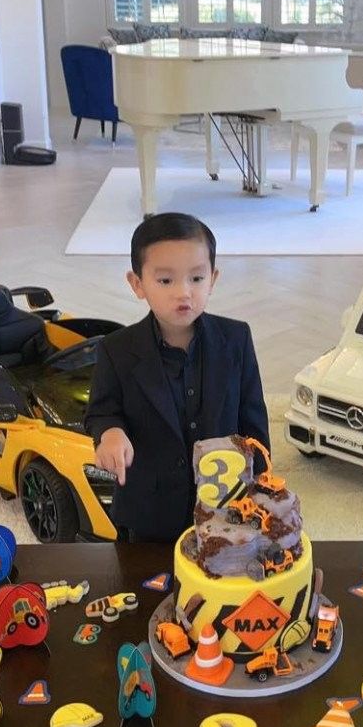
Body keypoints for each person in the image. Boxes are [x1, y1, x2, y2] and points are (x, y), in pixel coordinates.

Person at [85, 211, 269, 542]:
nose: (184, 292)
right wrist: (110, 433)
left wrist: (259, 489)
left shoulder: (236, 339)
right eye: (166, 281)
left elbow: (253, 424)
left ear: (213, 278)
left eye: (196, 278)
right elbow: (101, 411)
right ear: (137, 284)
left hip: (226, 509)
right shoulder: (116, 349)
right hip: (149, 514)